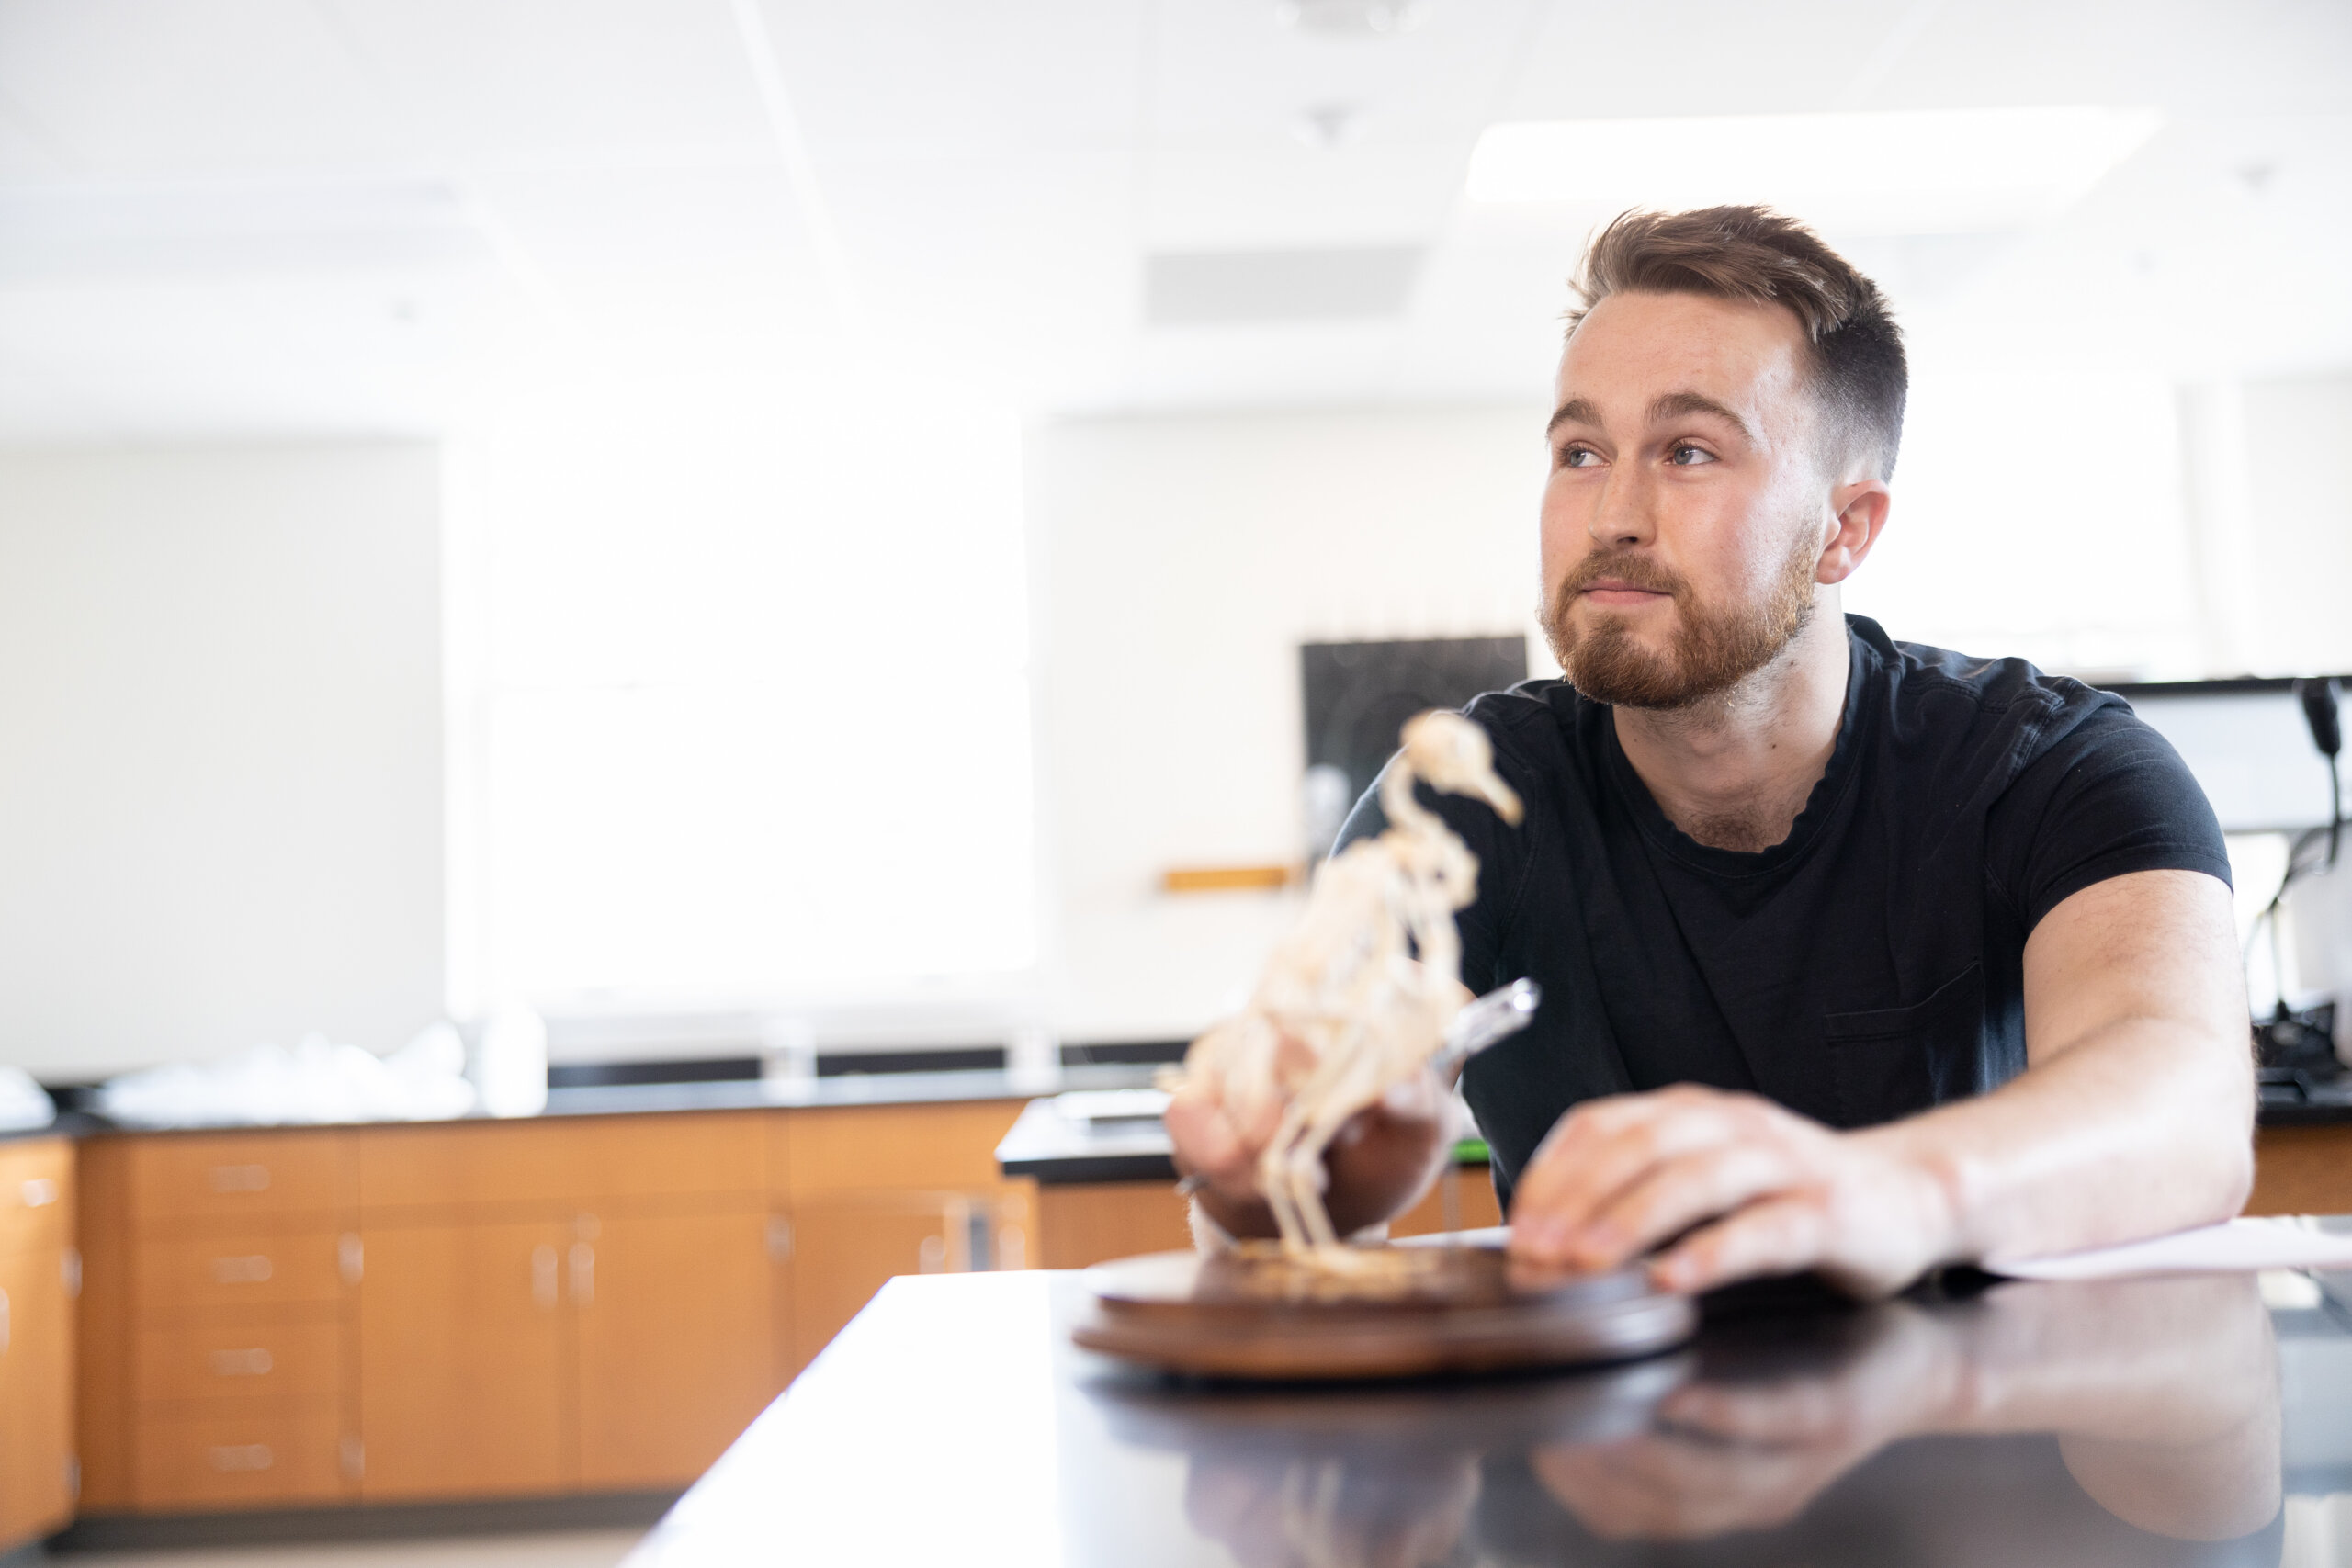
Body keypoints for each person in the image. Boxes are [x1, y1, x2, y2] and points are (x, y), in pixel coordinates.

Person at [1165, 205, 2253, 1297]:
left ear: (1846, 530)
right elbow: (1280, 1190)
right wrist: (1264, 1153)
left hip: (1977, 1431)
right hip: (1598, 1439)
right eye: (1579, 452)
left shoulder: (2054, 767)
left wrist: (1879, 1193)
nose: (1613, 515)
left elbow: (2187, 1108)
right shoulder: (1466, 799)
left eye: (1689, 451)